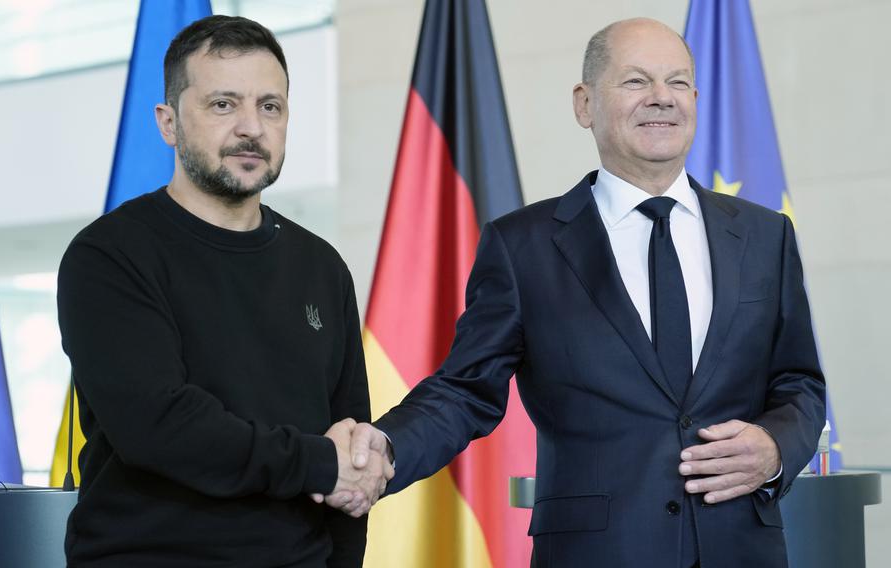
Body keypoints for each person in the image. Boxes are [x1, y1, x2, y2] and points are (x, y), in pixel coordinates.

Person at [333, 17, 826, 568]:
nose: (662, 98)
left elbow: (799, 381)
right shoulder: (522, 246)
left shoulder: (764, 235)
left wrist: (778, 446)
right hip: (596, 551)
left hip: (742, 548)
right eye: (636, 81)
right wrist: (386, 448)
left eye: (678, 82)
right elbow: (466, 391)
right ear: (584, 104)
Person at [57, 15, 391, 568]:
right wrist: (317, 464)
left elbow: (350, 441)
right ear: (168, 123)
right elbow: (161, 426)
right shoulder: (109, 255)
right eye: (222, 104)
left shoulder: (321, 267)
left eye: (270, 106)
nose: (251, 128)